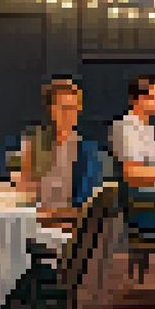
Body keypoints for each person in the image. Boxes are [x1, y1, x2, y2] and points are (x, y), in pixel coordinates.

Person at [20, 78, 106, 225]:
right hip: (34, 224)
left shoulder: (86, 151)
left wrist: (49, 214)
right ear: (51, 110)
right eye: (63, 108)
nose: (69, 114)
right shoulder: (35, 145)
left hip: (69, 228)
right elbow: (25, 193)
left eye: (73, 108)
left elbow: (85, 208)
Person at [109, 74, 155, 242]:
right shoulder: (127, 128)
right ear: (139, 99)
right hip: (145, 200)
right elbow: (133, 174)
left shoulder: (146, 128)